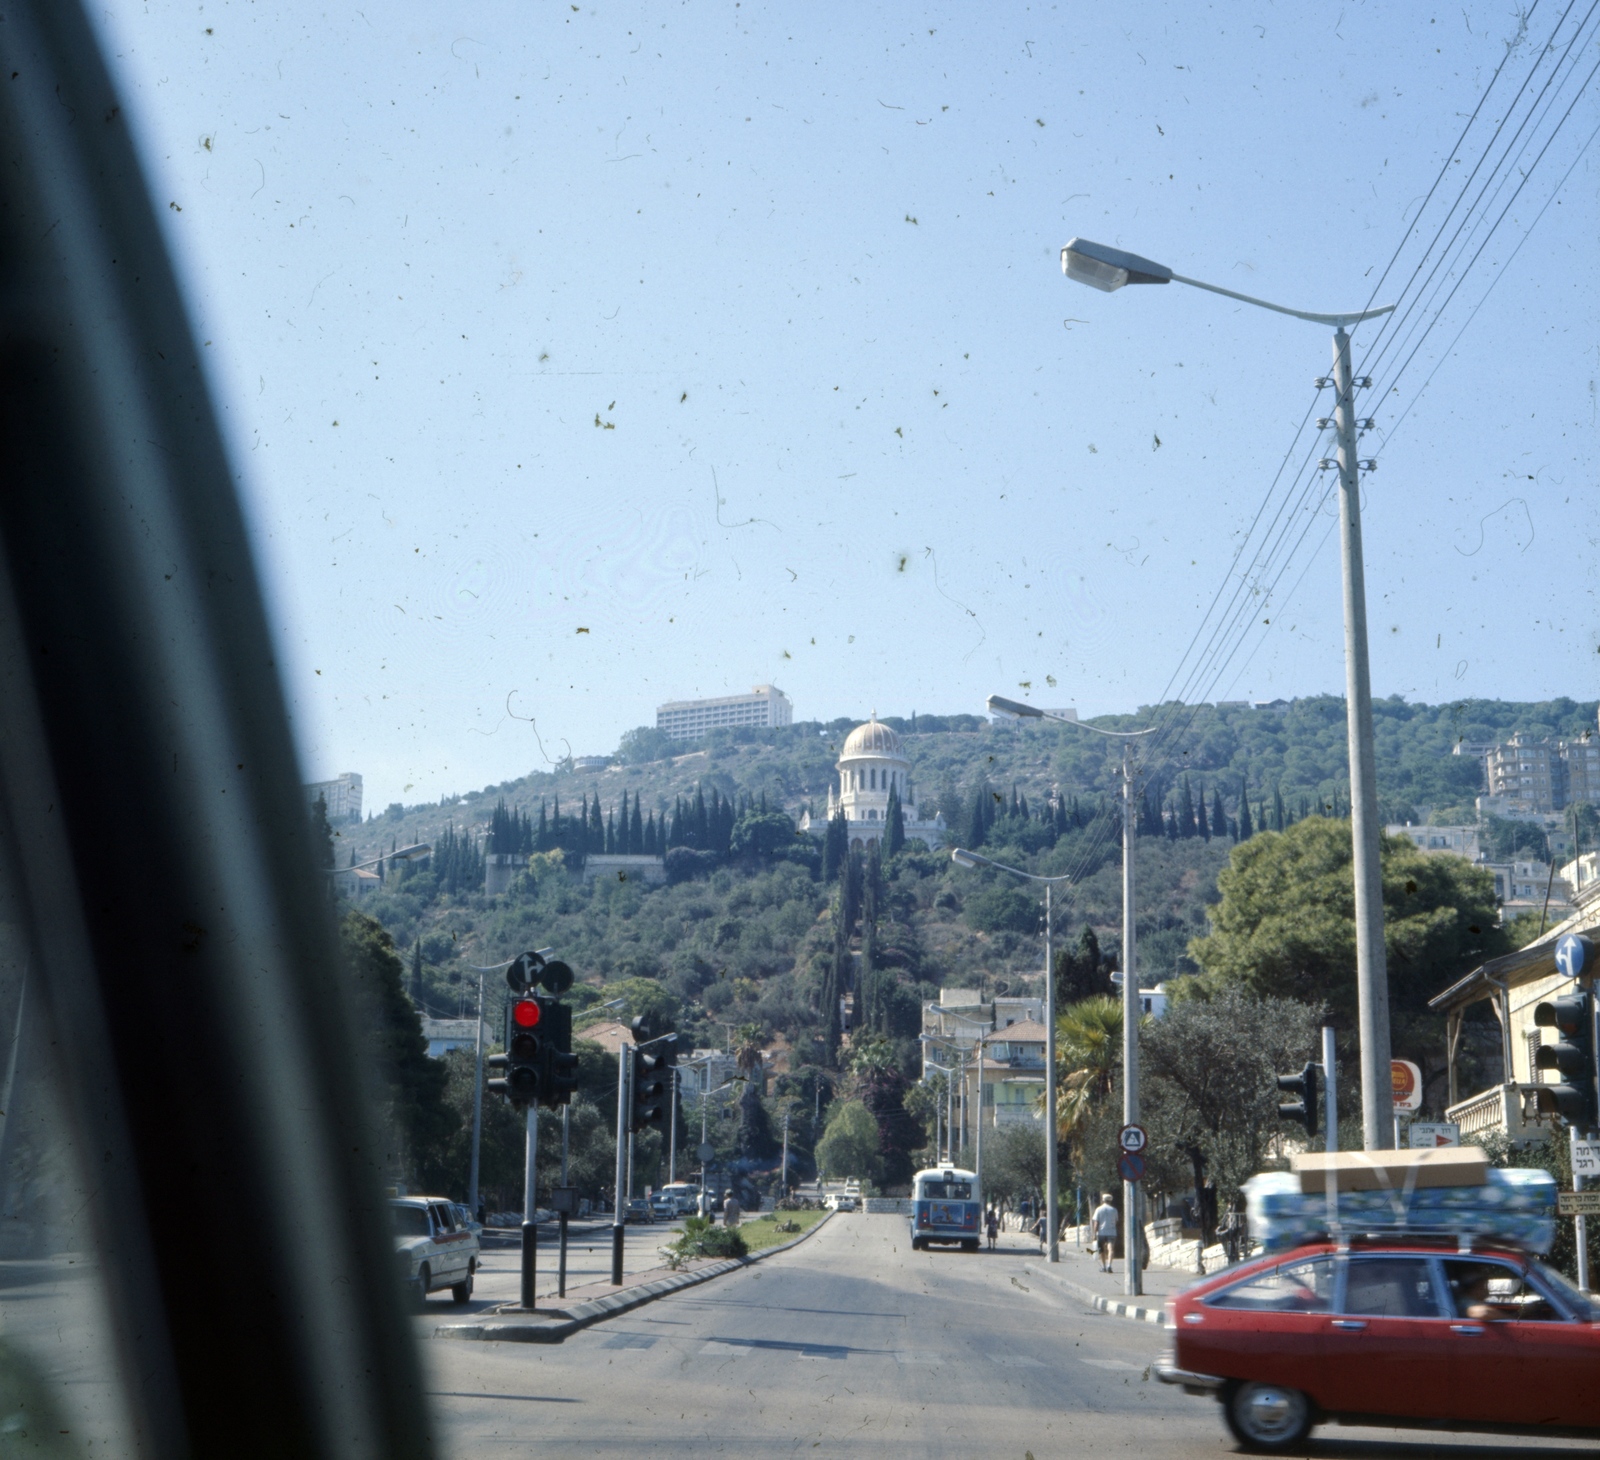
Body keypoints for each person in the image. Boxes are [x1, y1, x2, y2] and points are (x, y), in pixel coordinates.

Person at [1091, 1192, 1119, 1272]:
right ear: (1110, 1200)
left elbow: (1096, 1223)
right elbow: (1116, 1221)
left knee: (1101, 1250)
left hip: (1101, 1233)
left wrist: (1094, 1234)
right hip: (1112, 1232)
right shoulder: (1114, 1210)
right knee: (1111, 1249)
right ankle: (1109, 1265)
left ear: (1103, 1200)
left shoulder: (1099, 1209)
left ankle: (1103, 1266)